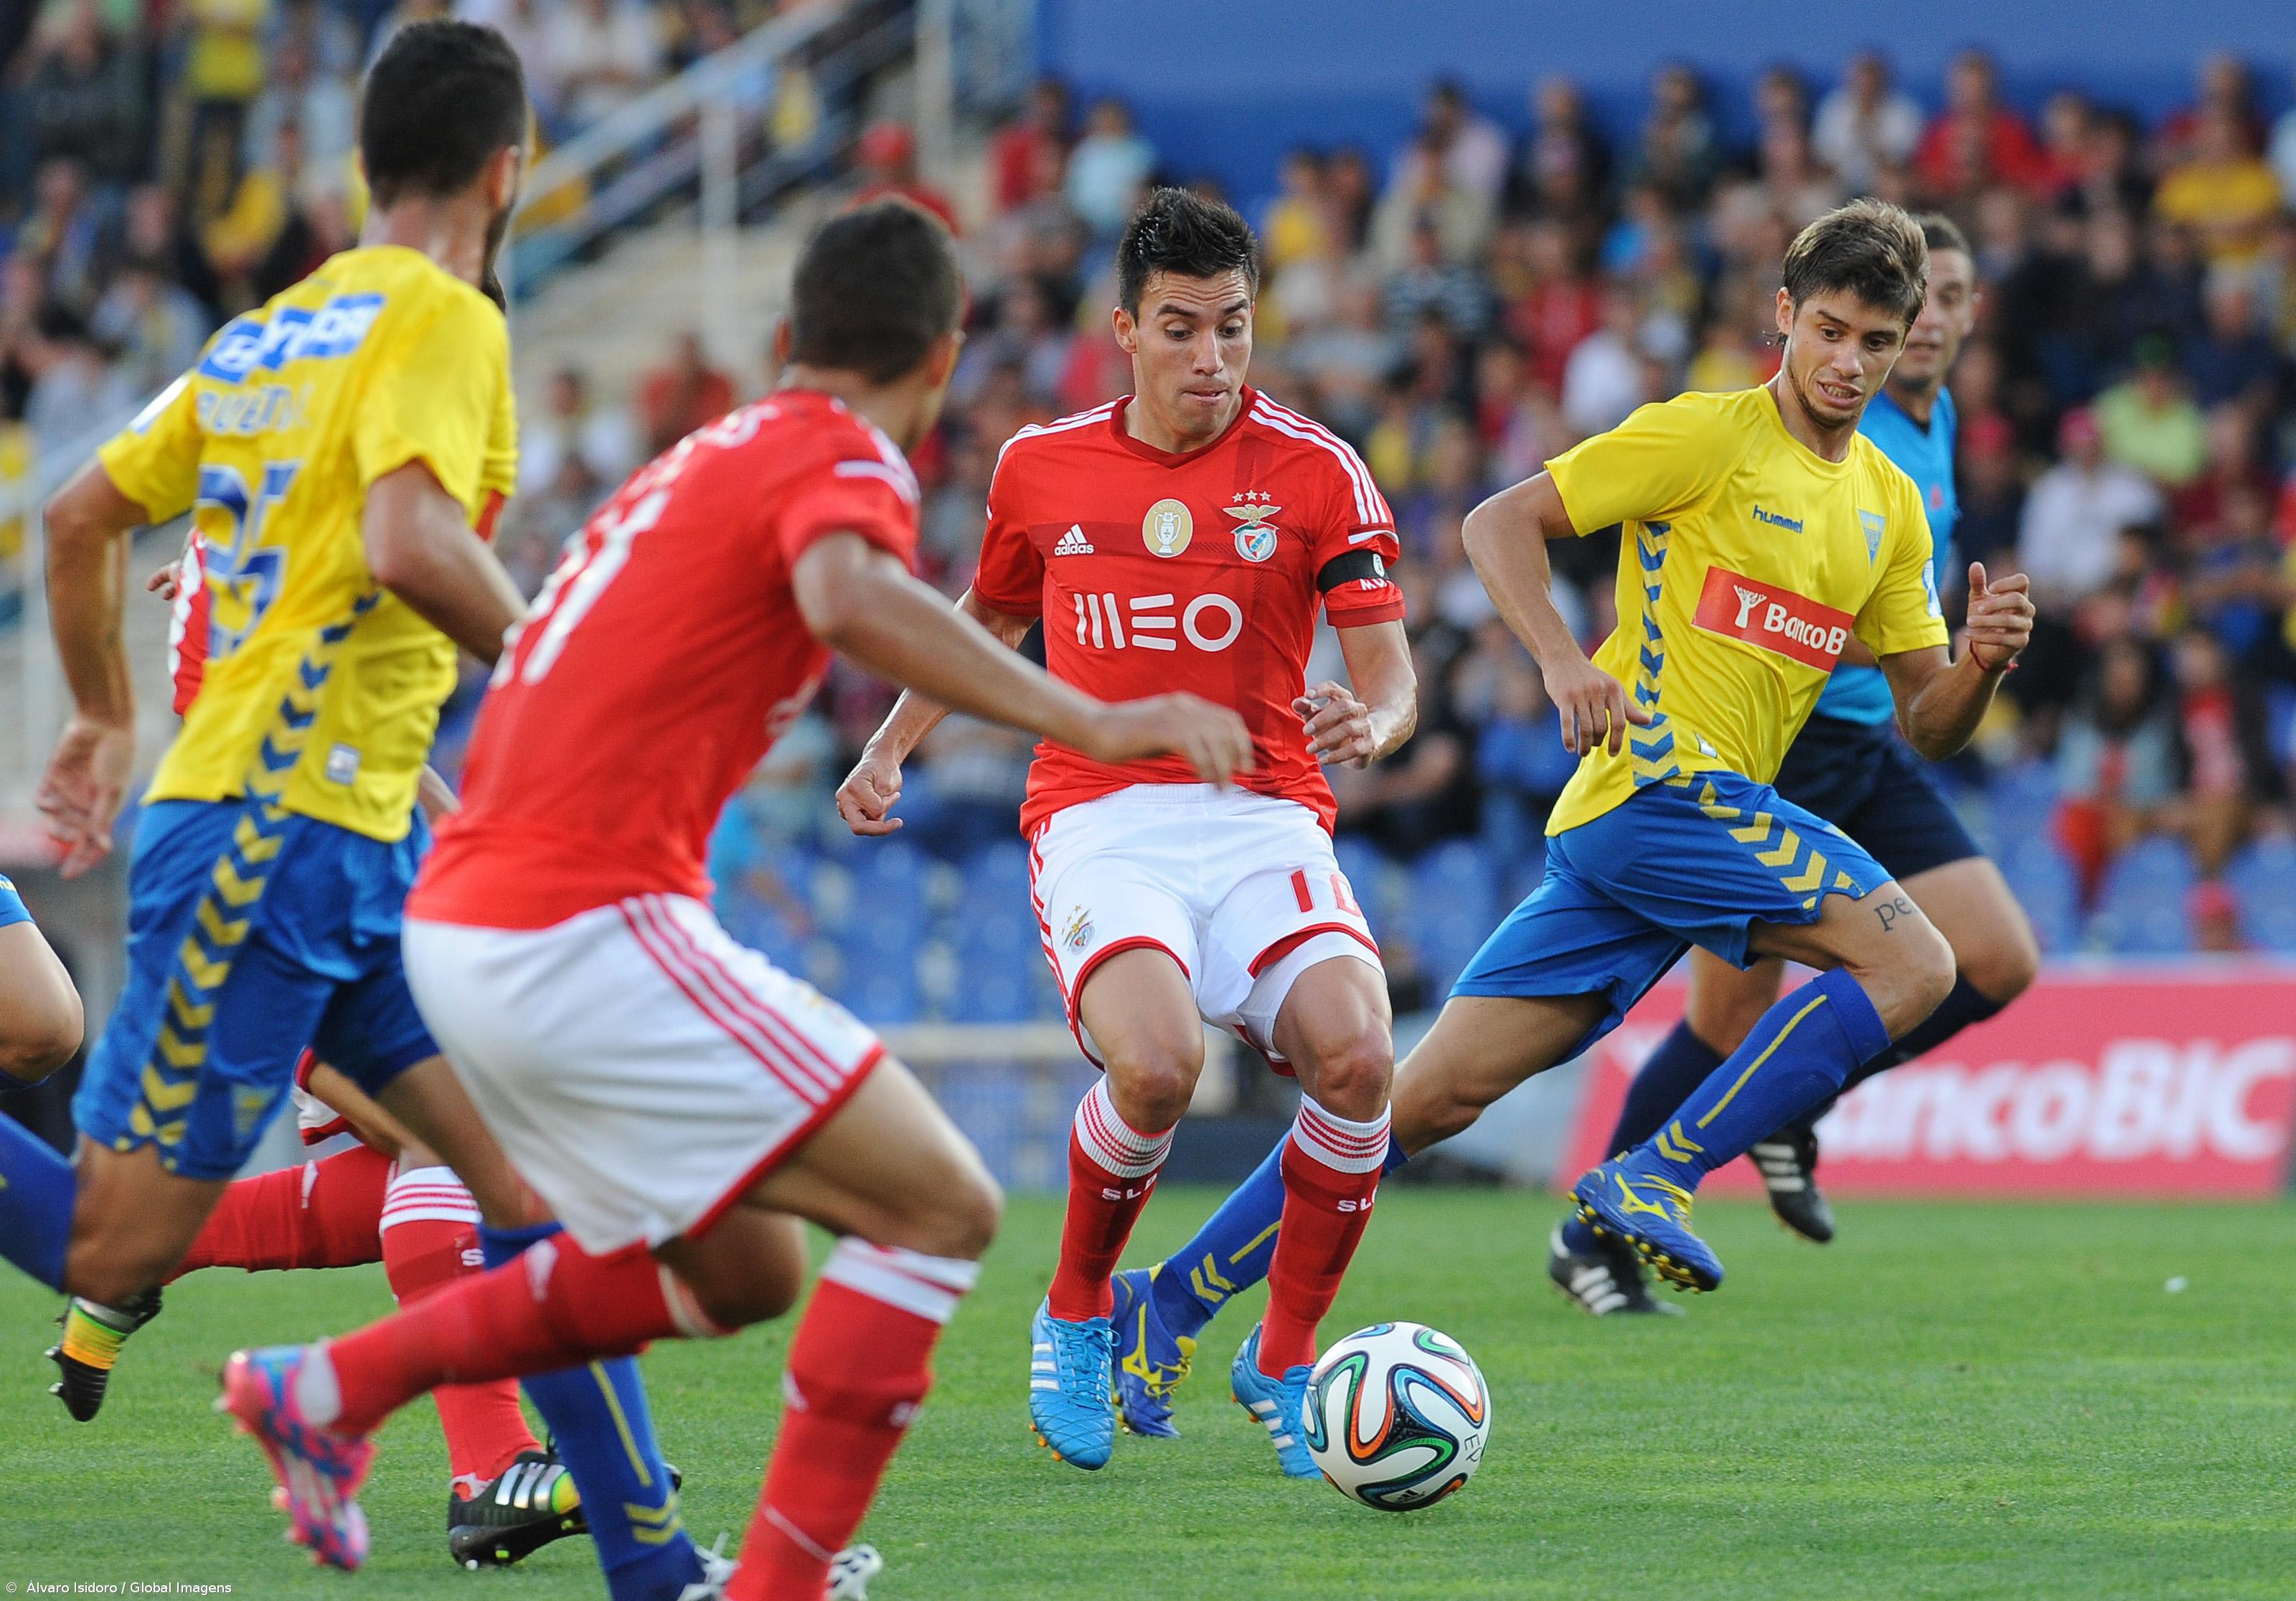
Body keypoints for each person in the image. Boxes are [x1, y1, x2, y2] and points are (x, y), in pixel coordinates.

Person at [215, 197, 1251, 1598]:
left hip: (474, 919)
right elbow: (846, 591)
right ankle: (776, 1586)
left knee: (749, 1266)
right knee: (942, 1206)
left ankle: (331, 1388)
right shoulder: (841, 452)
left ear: (788, 339)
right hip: (576, 921)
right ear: (942, 357)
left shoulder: (706, 454)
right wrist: (1096, 718)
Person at [1109, 199, 2036, 1427]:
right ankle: (1657, 1175)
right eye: (1828, 329)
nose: (1848, 362)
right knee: (1916, 961)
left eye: (1875, 340)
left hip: (1660, 829)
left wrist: (1979, 666)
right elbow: (1499, 521)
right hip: (1660, 787)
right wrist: (1559, 661)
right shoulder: (1703, 436)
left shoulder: (1889, 505)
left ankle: (1167, 1300)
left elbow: (1927, 718)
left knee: (1417, 1104)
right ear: (1783, 316)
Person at [5, 24, 722, 1600]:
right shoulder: (446, 314)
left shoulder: (270, 337)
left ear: (358, 165)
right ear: (507, 170)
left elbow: (75, 518)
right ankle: (522, 1486)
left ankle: (646, 1557)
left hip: (320, 820)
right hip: (278, 834)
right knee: (115, 1241)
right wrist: (563, 676)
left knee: (515, 1167)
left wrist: (107, 716)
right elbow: (408, 540)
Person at [835, 187, 1418, 1478]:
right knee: (1157, 1068)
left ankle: (1283, 1358)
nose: (1212, 357)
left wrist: (1372, 724)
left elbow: (1391, 676)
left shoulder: (1317, 470)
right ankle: (1077, 1312)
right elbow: (987, 621)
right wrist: (889, 746)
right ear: (1125, 331)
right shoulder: (1040, 467)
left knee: (1362, 1060)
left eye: (1233, 326)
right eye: (1181, 328)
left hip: (1264, 815)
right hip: (1102, 816)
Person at [1544, 214, 2042, 1311]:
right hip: (1786, 736)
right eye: (1908, 305)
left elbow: (1909, 655)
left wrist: (1964, 660)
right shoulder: (1826, 422)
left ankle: (1787, 1107)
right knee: (1727, 1019)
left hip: (1875, 740)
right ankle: (1595, 1232)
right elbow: (1787, 603)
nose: (1921, 327)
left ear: (1962, 317)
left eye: (1947, 301)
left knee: (1998, 958)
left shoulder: (1929, 426)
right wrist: (1912, 646)